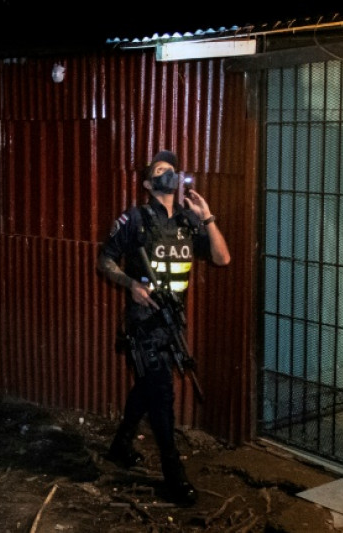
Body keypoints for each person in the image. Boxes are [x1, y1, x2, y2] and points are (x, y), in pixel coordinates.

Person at [96, 150, 230, 505]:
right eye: (160, 169)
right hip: (143, 323)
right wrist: (131, 285)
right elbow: (105, 259)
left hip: (172, 322)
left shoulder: (188, 222)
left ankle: (121, 446)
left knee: (147, 387)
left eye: (171, 168)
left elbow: (222, 258)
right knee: (163, 395)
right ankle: (174, 475)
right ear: (148, 183)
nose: (168, 172)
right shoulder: (134, 219)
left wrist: (209, 217)